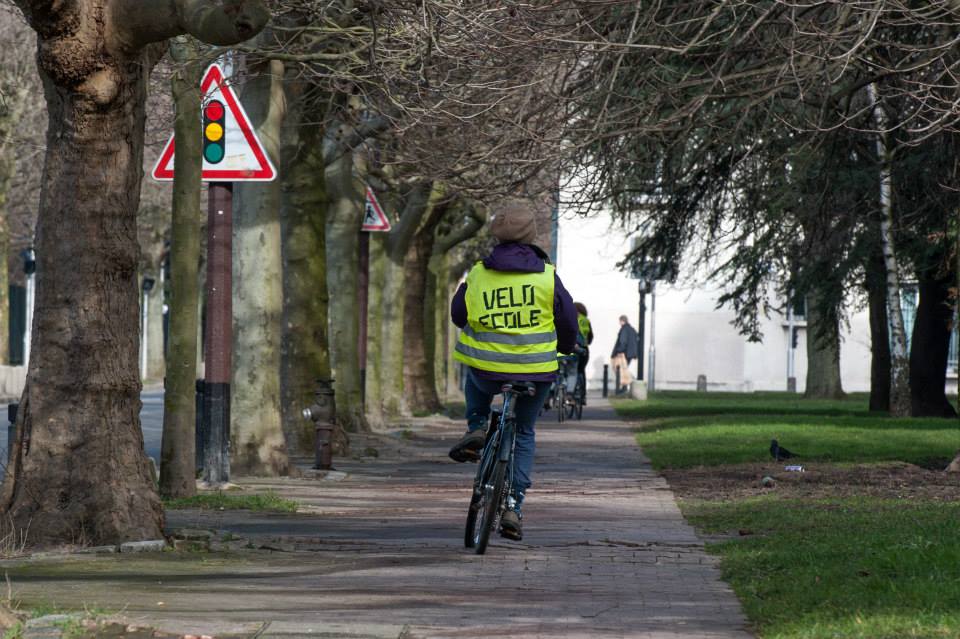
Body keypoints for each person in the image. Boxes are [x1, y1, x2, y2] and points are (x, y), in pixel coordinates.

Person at [448, 200, 578, 542]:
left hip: (488, 368)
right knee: (524, 432)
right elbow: (567, 320)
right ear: (532, 235)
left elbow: (458, 314)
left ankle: (477, 427)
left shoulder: (478, 273)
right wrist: (565, 346)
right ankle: (513, 506)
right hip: (535, 371)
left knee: (476, 386)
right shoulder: (548, 276)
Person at [611, 314, 638, 394]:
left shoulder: (624, 329)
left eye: (620, 321)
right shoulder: (632, 329)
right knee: (624, 370)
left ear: (622, 321)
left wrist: (619, 351)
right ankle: (624, 387)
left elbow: (623, 341)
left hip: (624, 353)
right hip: (631, 353)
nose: (619, 323)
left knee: (621, 370)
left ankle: (625, 387)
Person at [573, 302, 593, 404]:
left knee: (571, 371)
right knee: (581, 371)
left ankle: (570, 393)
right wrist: (585, 343)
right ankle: (583, 396)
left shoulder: (572, 317)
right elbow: (591, 337)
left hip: (572, 347)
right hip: (584, 349)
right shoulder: (586, 320)